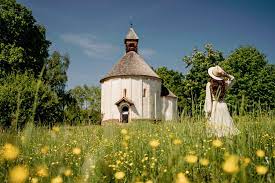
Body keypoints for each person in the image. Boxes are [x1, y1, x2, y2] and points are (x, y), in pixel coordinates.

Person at [204, 65, 239, 137]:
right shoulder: (224, 84)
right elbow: (233, 79)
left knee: (216, 129)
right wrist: (226, 74)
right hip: (223, 105)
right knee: (226, 126)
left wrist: (208, 112)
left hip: (214, 107)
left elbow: (208, 99)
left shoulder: (209, 84)